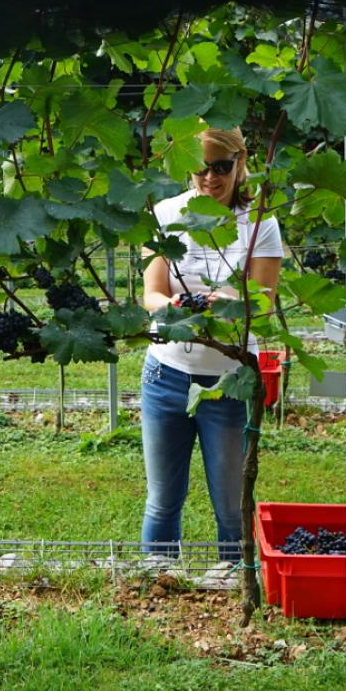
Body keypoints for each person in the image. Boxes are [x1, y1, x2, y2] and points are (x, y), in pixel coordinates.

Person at [138, 127, 283, 561]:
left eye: (221, 167)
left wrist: (229, 303)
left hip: (230, 381)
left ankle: (234, 585)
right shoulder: (165, 214)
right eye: (199, 168)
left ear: (241, 162)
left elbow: (263, 304)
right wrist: (175, 308)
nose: (209, 179)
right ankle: (158, 582)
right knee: (163, 499)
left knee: (231, 506)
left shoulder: (261, 222)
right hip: (166, 375)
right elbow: (151, 295)